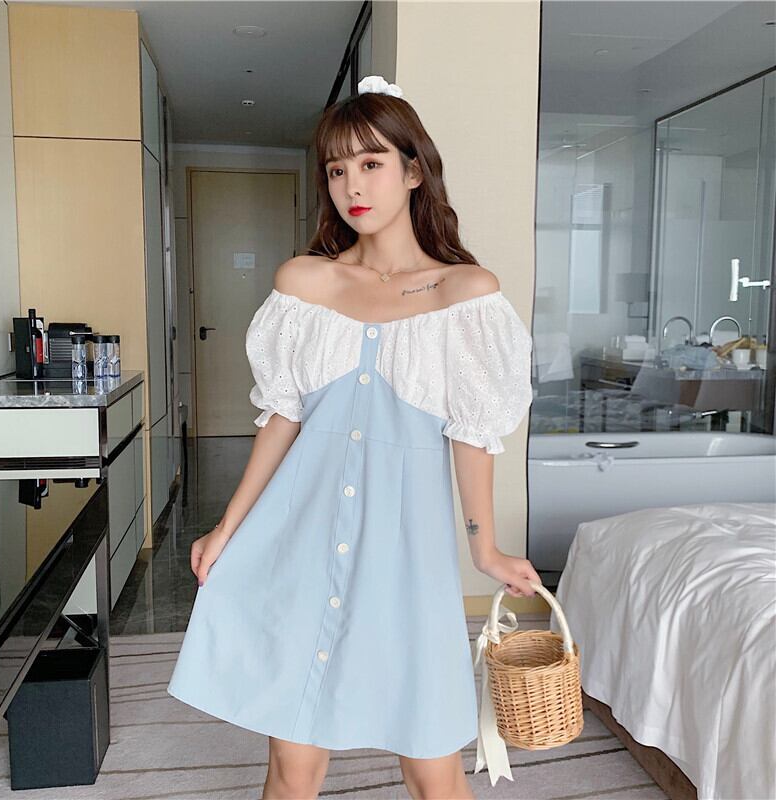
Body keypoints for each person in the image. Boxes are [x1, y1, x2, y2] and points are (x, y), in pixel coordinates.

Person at [167, 74, 542, 800]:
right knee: (293, 765)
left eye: (371, 163)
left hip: (406, 554)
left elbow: (472, 435)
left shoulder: (465, 295)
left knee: (431, 767)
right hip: (299, 540)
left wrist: (485, 547)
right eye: (337, 170)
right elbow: (283, 418)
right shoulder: (304, 284)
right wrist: (227, 526)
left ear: (413, 171)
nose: (352, 185)